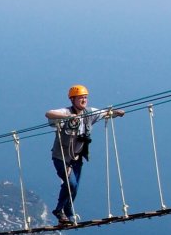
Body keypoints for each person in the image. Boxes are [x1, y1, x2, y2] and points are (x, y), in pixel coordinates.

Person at [45, 85, 124, 225]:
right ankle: (60, 211)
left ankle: (66, 213)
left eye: (85, 97)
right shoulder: (65, 112)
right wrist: (68, 116)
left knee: (74, 188)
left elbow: (105, 113)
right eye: (81, 98)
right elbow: (49, 114)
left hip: (77, 159)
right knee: (71, 184)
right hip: (61, 157)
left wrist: (116, 113)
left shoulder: (89, 113)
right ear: (73, 99)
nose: (84, 100)